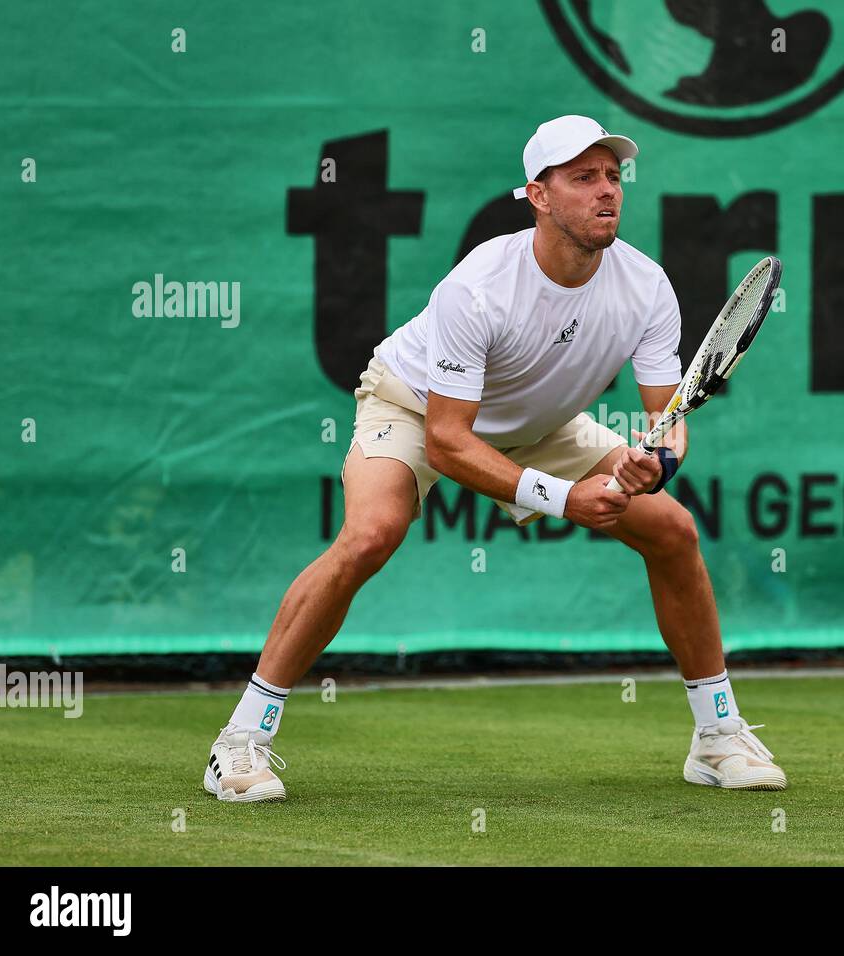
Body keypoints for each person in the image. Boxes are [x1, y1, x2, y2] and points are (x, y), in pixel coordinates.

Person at [202, 115, 787, 802]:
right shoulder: (478, 288)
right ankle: (241, 739)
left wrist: (654, 465)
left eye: (613, 177)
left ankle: (717, 737)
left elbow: (667, 418)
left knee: (673, 530)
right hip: (417, 409)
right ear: (538, 196)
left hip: (542, 423)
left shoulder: (646, 286)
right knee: (369, 535)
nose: (607, 192)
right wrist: (565, 498)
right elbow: (450, 442)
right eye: (583, 178)